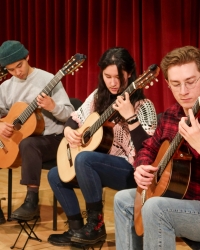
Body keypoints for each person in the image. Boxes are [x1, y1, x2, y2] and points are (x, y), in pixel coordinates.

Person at [47, 47, 157, 247]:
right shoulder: (99, 96)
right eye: (108, 76)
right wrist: (68, 131)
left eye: (118, 76)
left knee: (84, 159)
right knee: (55, 175)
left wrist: (131, 117)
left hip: (131, 170)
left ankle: (96, 226)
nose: (113, 83)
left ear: (130, 74)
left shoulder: (143, 105)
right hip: (98, 164)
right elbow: (75, 118)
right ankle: (77, 228)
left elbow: (149, 149)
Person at [114, 45, 200, 250]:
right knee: (122, 200)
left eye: (191, 82)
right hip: (179, 198)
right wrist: (141, 167)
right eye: (176, 84)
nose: (184, 91)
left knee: (155, 208)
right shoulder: (172, 114)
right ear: (168, 85)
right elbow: (148, 148)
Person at [0, 40, 74, 221]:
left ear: (27, 57)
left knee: (29, 144)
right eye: (11, 70)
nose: (17, 72)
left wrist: (53, 106)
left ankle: (31, 202)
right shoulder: (5, 87)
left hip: (53, 139)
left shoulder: (48, 79)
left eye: (20, 65)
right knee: (27, 143)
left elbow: (70, 114)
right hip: (22, 140)